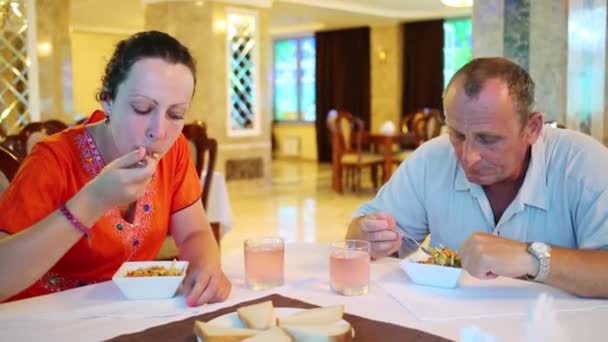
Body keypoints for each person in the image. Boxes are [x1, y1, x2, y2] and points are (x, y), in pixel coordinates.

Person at [0, 30, 231, 305]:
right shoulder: (53, 159)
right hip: (47, 317)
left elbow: (195, 233)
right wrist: (93, 200)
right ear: (107, 99)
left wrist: (205, 268)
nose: (159, 131)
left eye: (176, 114)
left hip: (127, 313)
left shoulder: (174, 150)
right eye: (143, 108)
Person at [347, 57, 608, 298]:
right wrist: (367, 236)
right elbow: (357, 236)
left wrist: (531, 257)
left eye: (488, 139)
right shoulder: (431, 159)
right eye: (457, 135)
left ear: (532, 128)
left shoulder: (585, 165)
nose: (468, 157)